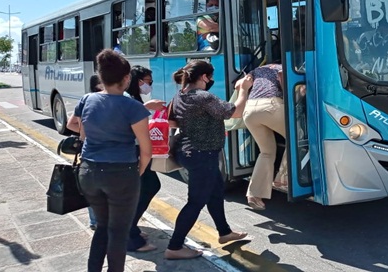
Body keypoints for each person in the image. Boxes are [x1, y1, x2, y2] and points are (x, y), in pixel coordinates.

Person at [66, 49, 152, 272]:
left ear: (101, 77)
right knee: (118, 231)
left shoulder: (87, 99)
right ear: (126, 79)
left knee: (103, 226)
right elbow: (146, 151)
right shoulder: (134, 107)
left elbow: (75, 128)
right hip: (121, 173)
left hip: (89, 172)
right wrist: (138, 172)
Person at [165, 60, 253, 260]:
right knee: (196, 202)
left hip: (191, 152)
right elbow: (235, 112)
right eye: (210, 77)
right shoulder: (203, 97)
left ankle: (224, 232)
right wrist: (243, 89)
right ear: (204, 77)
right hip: (201, 154)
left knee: (215, 192)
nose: (211, 80)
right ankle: (174, 247)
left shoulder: (180, 95)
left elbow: (172, 121)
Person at [124, 65, 165, 253]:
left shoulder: (134, 98)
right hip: (132, 152)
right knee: (147, 187)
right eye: (147, 82)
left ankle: (131, 229)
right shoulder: (126, 98)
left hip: (137, 150)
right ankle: (129, 234)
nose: (149, 86)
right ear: (138, 81)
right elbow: (125, 120)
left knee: (147, 187)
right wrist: (147, 108)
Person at [242, 63, 287, 211]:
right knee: (297, 139)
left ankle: (254, 195)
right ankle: (282, 178)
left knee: (266, 152)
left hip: (249, 110)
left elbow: (239, 85)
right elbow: (283, 80)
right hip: (270, 106)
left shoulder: (256, 69)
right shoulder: (280, 67)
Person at [85, 74, 104, 230]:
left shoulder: (87, 99)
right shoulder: (113, 100)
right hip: (105, 156)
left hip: (89, 154)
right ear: (98, 85)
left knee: (94, 193)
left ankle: (95, 222)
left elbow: (73, 124)